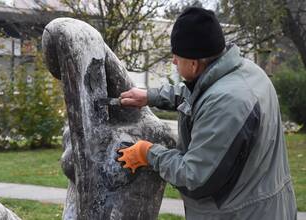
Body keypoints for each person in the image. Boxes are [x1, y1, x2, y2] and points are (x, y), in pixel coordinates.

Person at [116, 7, 297, 220]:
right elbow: (200, 93)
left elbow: (194, 177)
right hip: (265, 204)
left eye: (177, 57)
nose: (174, 61)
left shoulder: (229, 103)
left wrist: (148, 152)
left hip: (242, 214)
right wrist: (150, 96)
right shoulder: (243, 70)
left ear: (194, 63)